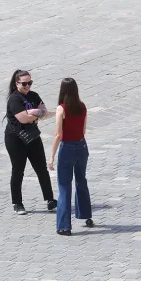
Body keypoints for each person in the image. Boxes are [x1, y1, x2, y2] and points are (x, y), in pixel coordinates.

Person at [4, 69, 56, 215]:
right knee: (18, 170)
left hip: (32, 136)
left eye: (30, 83)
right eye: (24, 83)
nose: (28, 86)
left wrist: (33, 113)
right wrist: (36, 113)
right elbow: (23, 119)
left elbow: (44, 112)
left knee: (41, 169)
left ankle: (50, 200)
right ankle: (17, 203)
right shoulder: (14, 99)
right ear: (16, 84)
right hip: (16, 139)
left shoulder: (34, 95)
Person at [48, 78, 93, 236]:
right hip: (82, 146)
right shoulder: (82, 106)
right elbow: (84, 129)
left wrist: (52, 157)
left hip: (67, 148)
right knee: (81, 180)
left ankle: (64, 226)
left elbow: (58, 134)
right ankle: (86, 216)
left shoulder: (62, 109)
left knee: (64, 186)